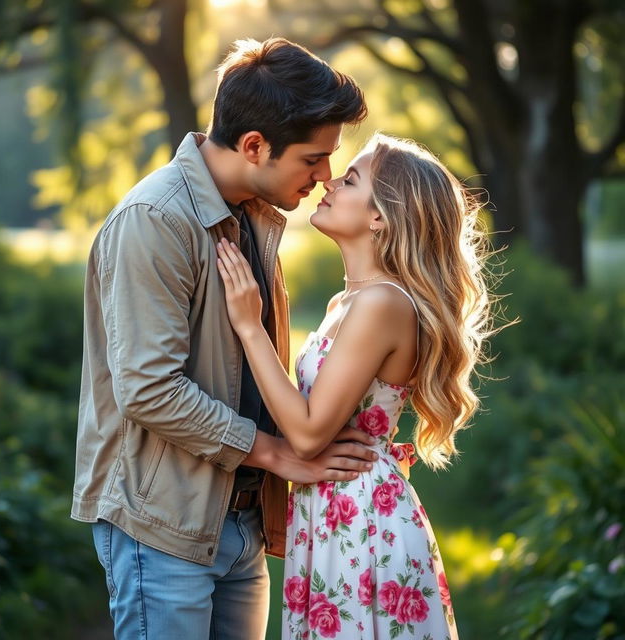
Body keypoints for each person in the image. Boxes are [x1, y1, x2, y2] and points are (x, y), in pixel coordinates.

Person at [71, 37, 373, 640]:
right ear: (255, 146)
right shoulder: (156, 222)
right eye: (313, 159)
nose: (326, 176)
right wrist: (274, 452)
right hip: (163, 523)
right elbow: (149, 391)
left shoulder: (257, 214)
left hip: (241, 525)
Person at [217, 133, 494, 639]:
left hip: (362, 521)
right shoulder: (346, 303)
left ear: (379, 216)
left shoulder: (383, 303)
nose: (328, 181)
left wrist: (249, 325)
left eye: (350, 180)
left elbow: (305, 434)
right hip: (332, 507)